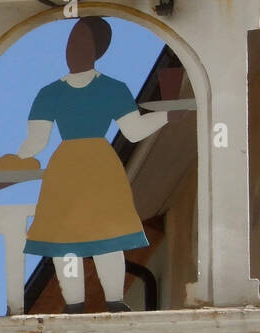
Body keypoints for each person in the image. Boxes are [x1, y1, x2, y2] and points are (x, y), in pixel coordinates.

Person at [13, 17, 172, 313]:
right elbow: (35, 141)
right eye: (72, 40)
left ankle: (114, 299)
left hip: (100, 168)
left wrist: (168, 114)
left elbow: (133, 130)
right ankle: (74, 303)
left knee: (107, 235)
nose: (73, 48)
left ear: (98, 49)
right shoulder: (50, 93)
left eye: (82, 41)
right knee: (63, 239)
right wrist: (10, 165)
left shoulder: (112, 88)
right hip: (65, 169)